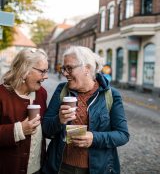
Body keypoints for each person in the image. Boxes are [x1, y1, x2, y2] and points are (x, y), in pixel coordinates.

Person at [42, 46, 129, 174]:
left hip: (96, 169)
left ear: (87, 68)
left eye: (69, 68)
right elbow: (46, 130)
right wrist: (59, 120)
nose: (65, 73)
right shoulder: (62, 90)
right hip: (60, 167)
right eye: (64, 69)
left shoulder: (110, 95)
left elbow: (122, 135)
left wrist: (94, 138)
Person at [0, 48, 48, 174]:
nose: (46, 76)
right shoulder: (1, 95)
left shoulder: (41, 93)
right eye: (42, 71)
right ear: (25, 70)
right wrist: (19, 130)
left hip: (37, 169)